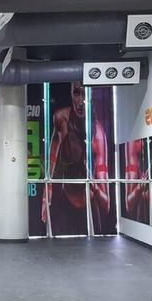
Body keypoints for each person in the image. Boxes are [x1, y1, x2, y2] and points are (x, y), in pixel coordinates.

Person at [41, 81, 111, 234]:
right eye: (77, 93)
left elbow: (106, 203)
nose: (80, 102)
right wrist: (46, 196)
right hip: (64, 200)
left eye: (85, 95)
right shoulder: (61, 119)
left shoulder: (98, 136)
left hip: (89, 206)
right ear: (71, 93)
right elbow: (51, 160)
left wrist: (93, 183)